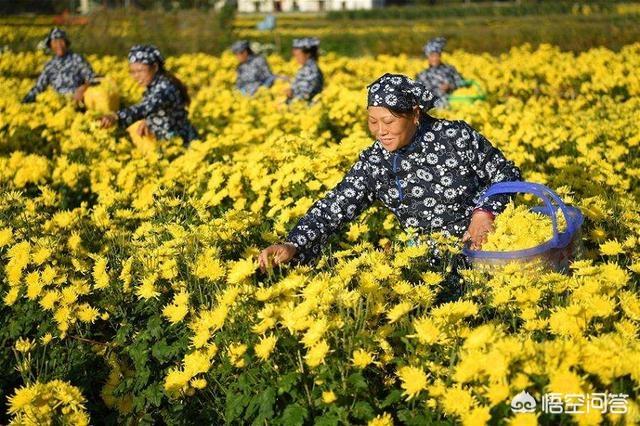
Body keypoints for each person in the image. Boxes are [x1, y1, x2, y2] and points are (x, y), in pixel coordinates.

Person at [259, 73, 521, 269]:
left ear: (414, 114)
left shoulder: (456, 136)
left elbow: (507, 174)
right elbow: (335, 206)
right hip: (425, 267)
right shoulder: (377, 160)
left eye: (388, 121)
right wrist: (294, 243)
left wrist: (485, 212)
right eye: (373, 122)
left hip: (487, 250)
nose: (380, 131)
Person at [99, 45, 198, 145]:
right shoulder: (156, 83)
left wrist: (116, 116)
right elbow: (159, 110)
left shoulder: (165, 88)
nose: (136, 76)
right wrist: (149, 121)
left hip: (181, 144)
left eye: (140, 71)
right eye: (133, 72)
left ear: (155, 67)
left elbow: (147, 107)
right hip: (167, 143)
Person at [22, 28, 94, 104]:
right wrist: (27, 98)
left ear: (66, 43)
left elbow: (92, 79)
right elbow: (39, 86)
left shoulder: (77, 59)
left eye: (61, 41)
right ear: (50, 45)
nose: (59, 45)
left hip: (77, 101)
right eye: (55, 42)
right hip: (57, 102)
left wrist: (82, 89)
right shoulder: (50, 65)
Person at [415, 37, 465, 107]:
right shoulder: (422, 75)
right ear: (428, 57)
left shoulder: (450, 69)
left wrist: (450, 86)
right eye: (432, 56)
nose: (435, 58)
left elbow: (462, 82)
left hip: (453, 105)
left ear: (440, 56)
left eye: (437, 55)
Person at [285, 37, 323, 103]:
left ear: (308, 54)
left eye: (298, 55)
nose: (296, 58)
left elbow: (306, 95)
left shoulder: (311, 70)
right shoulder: (306, 68)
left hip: (305, 108)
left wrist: (291, 94)